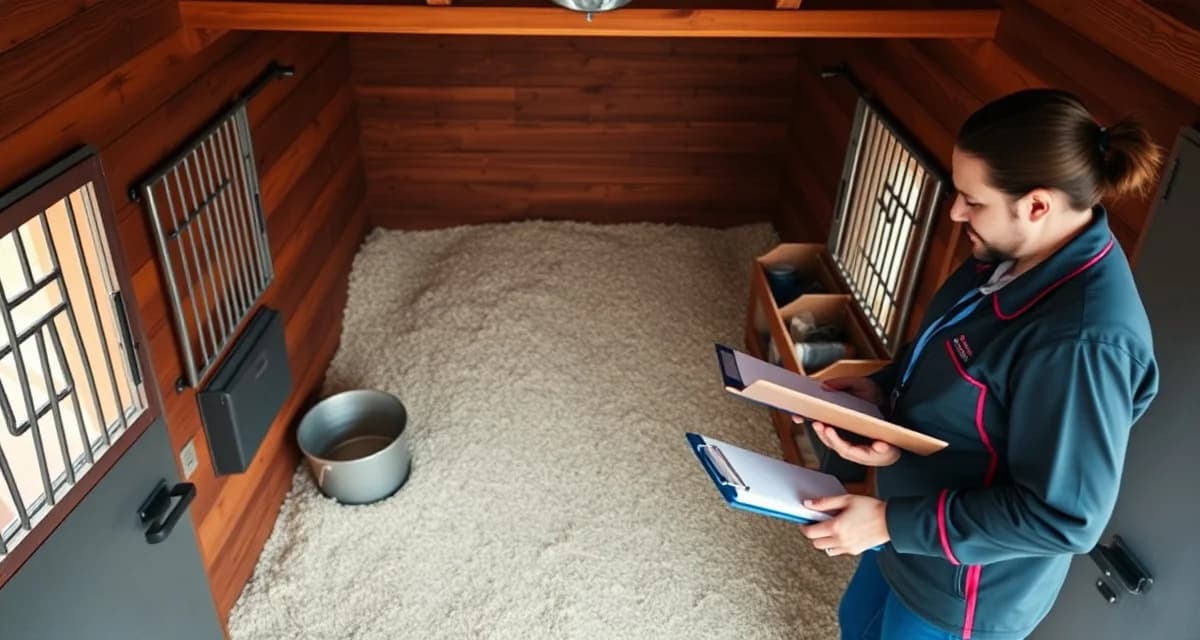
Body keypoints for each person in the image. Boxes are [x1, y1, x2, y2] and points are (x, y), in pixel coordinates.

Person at [792, 89, 1164, 640]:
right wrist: (882, 392)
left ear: (1036, 206)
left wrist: (889, 522)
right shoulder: (1011, 251)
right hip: (905, 527)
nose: (955, 212)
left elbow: (1065, 518)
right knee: (855, 624)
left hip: (961, 590)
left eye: (973, 200)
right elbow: (954, 361)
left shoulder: (1084, 343)